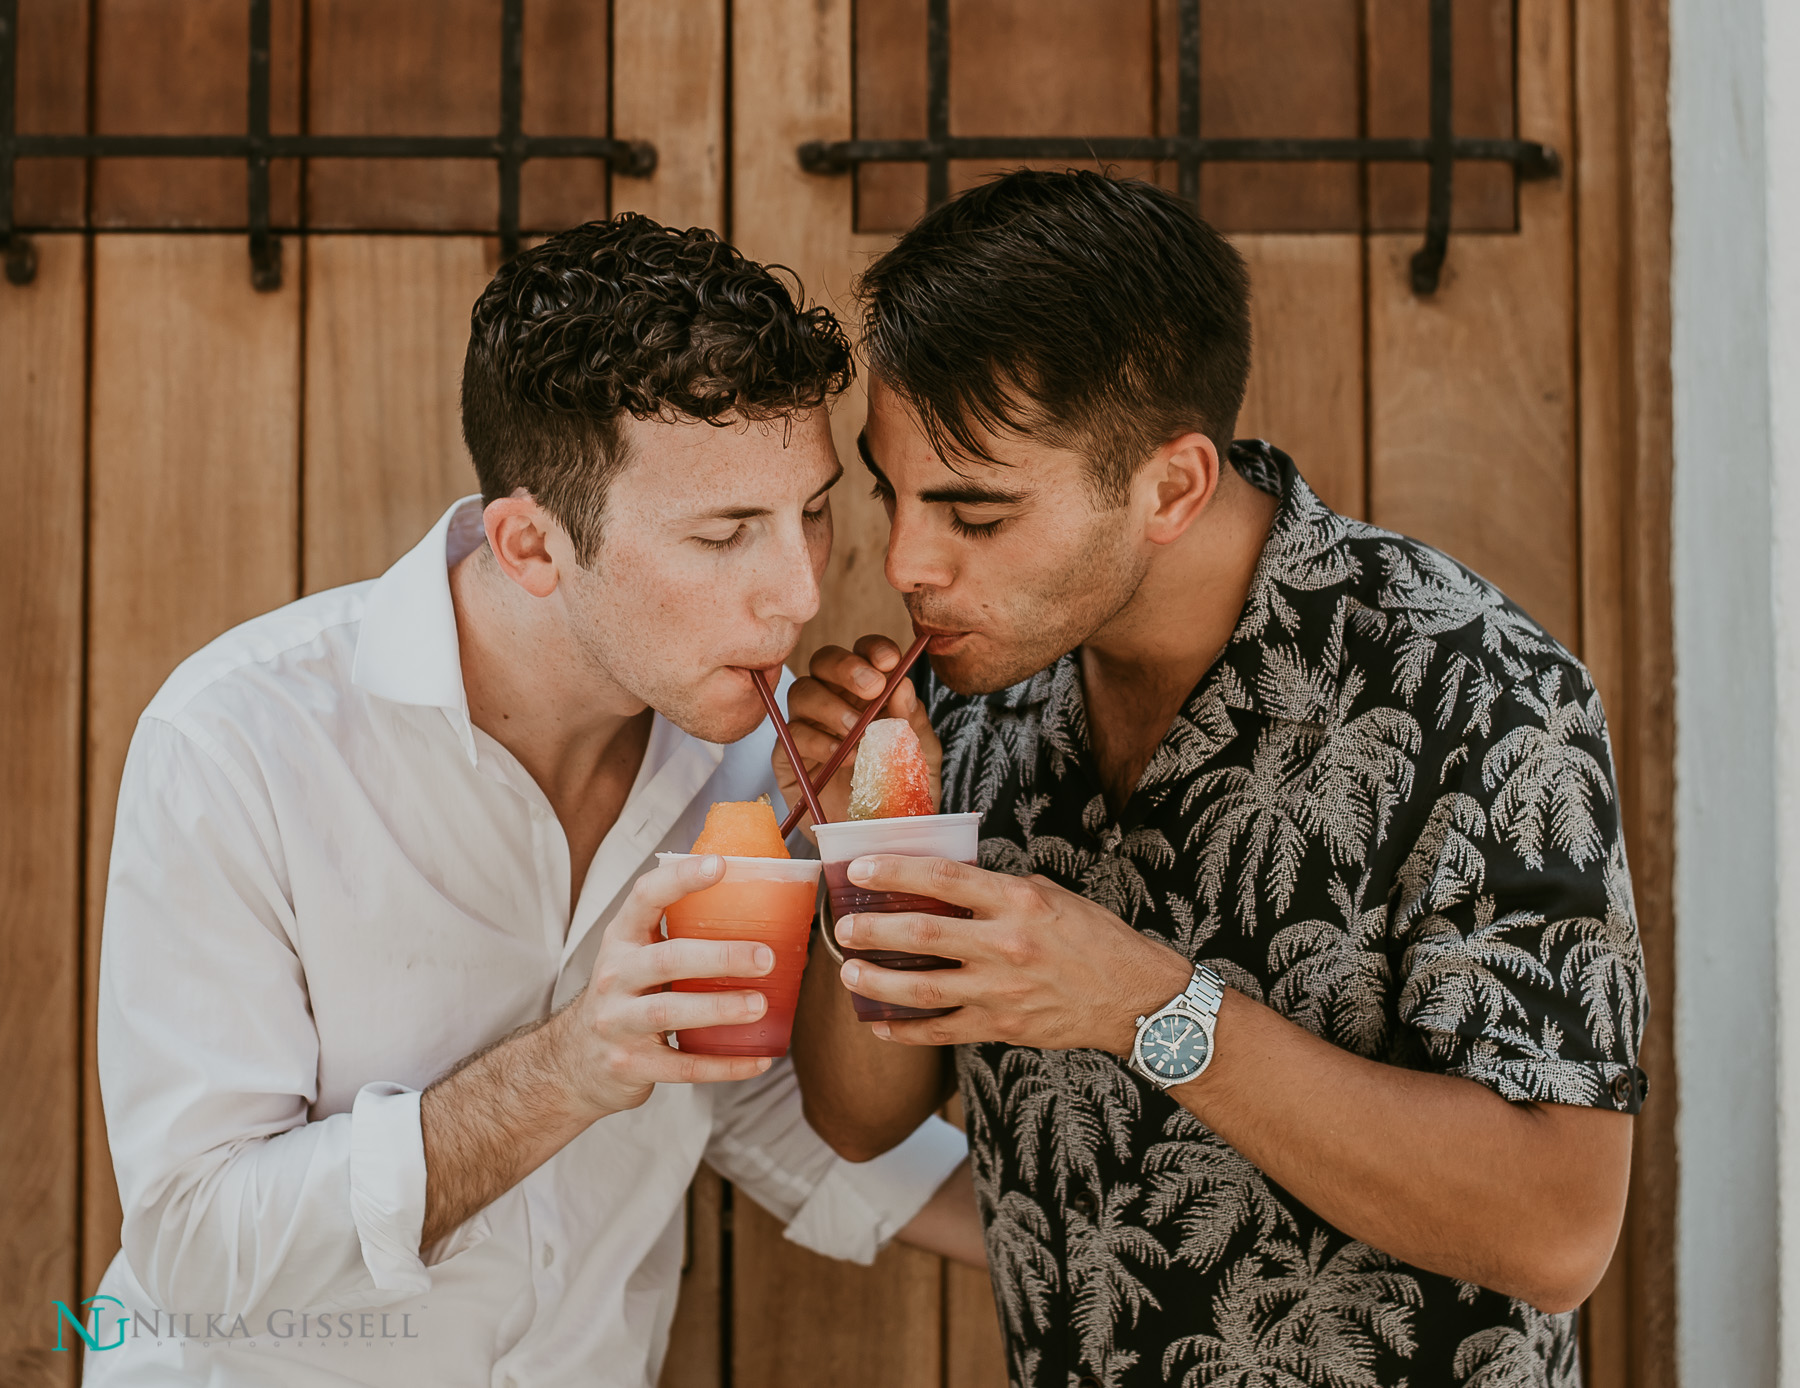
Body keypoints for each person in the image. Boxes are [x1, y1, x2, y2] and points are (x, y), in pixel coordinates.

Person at [780, 171, 1648, 1388]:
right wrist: (866, 844)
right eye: (893, 491)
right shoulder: (975, 689)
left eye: (974, 510)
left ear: (1173, 485)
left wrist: (1147, 1005)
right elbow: (860, 1115)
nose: (907, 561)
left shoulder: (1480, 690)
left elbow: (1560, 1229)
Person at [86, 215, 980, 1388]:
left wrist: (1102, 1245)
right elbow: (194, 1248)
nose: (801, 591)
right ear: (530, 544)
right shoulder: (238, 742)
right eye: (725, 534)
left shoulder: (750, 760)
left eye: (811, 508)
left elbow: (739, 1096)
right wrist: (564, 1069)